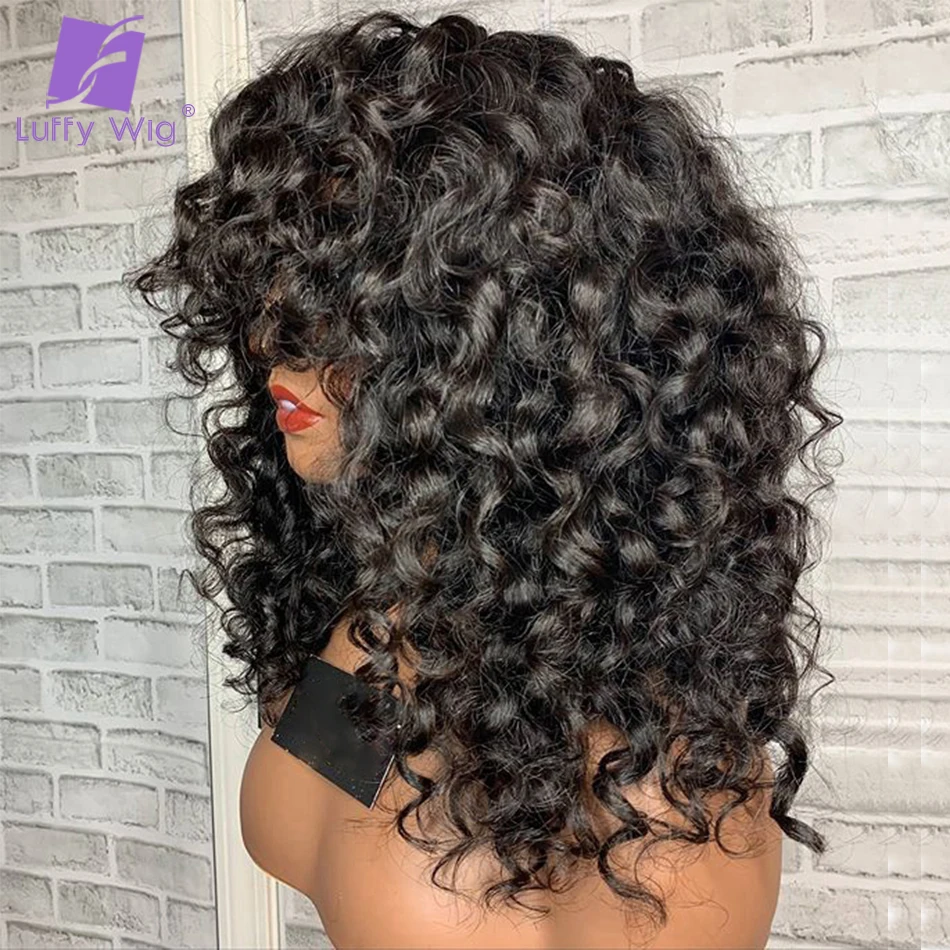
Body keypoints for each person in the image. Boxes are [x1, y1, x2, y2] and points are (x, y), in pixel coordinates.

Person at [126, 9, 841, 948]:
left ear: (520, 346)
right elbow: (300, 812)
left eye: (345, 297)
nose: (269, 340)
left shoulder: (653, 791)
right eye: (279, 282)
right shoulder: (387, 622)